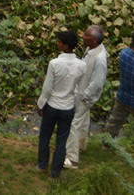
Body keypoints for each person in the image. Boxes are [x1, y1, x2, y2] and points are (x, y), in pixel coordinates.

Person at [37, 30, 85, 180]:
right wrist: (75, 107)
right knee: (62, 140)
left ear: (65, 46)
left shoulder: (54, 63)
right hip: (67, 108)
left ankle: (42, 164)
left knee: (45, 136)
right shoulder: (81, 65)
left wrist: (40, 105)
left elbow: (47, 88)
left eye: (59, 42)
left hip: (52, 106)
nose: (57, 44)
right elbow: (80, 91)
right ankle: (55, 173)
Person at [66, 25, 108, 170]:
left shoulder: (100, 59)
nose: (82, 36)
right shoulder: (91, 49)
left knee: (74, 124)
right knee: (84, 120)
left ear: (94, 41)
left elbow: (97, 83)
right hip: (82, 93)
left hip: (85, 96)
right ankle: (82, 145)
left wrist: (85, 97)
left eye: (86, 35)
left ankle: (72, 159)